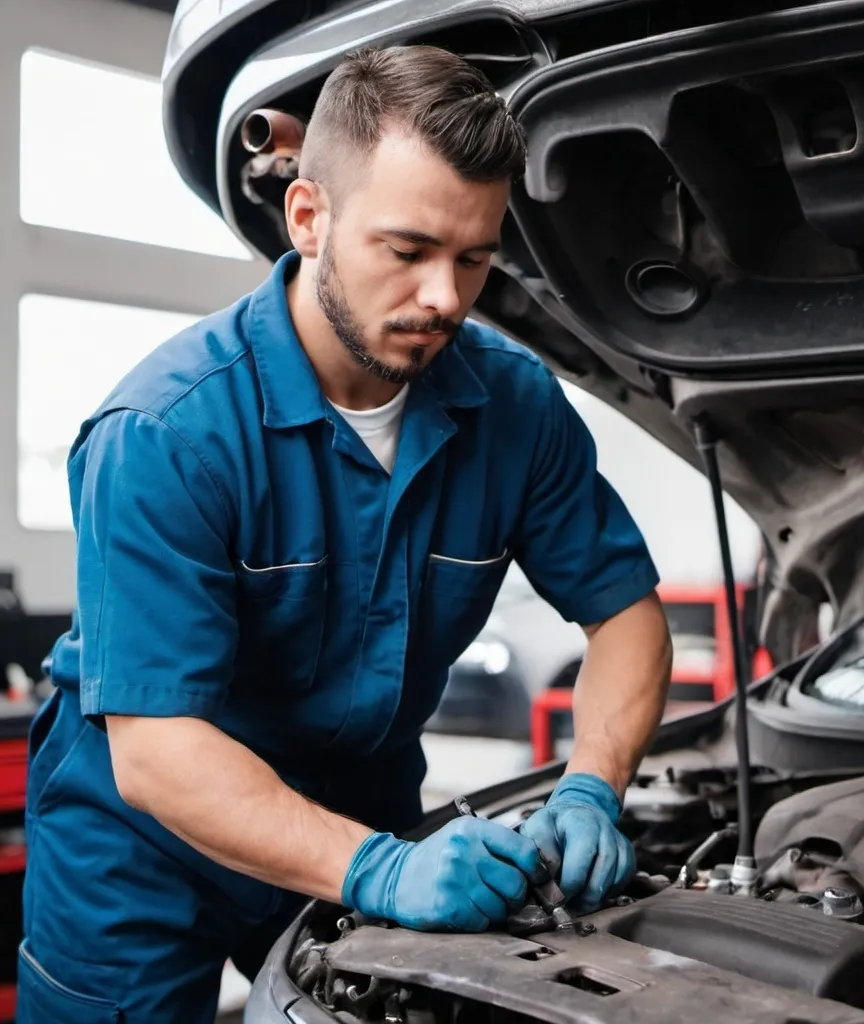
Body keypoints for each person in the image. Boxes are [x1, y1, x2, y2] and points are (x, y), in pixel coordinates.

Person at [17, 44, 672, 1023]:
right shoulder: (167, 431)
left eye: (475, 257)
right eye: (408, 251)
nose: (447, 297)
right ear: (309, 217)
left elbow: (624, 616)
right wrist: (375, 868)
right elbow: (155, 750)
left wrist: (590, 786)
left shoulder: (515, 406)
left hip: (362, 801)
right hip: (139, 843)